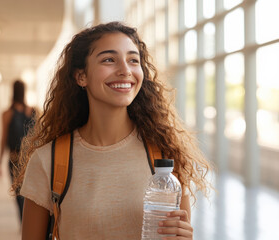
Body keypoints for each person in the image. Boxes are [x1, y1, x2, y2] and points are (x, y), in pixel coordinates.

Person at [14, 22, 212, 240]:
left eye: (133, 60)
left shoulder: (166, 155)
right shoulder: (48, 161)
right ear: (81, 76)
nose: (125, 70)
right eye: (109, 59)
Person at [0, 80, 35, 223]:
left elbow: (3, 138)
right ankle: (32, 224)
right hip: (31, 159)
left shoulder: (7, 113)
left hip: (14, 159)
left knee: (19, 195)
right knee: (31, 194)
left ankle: (24, 224)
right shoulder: (31, 110)